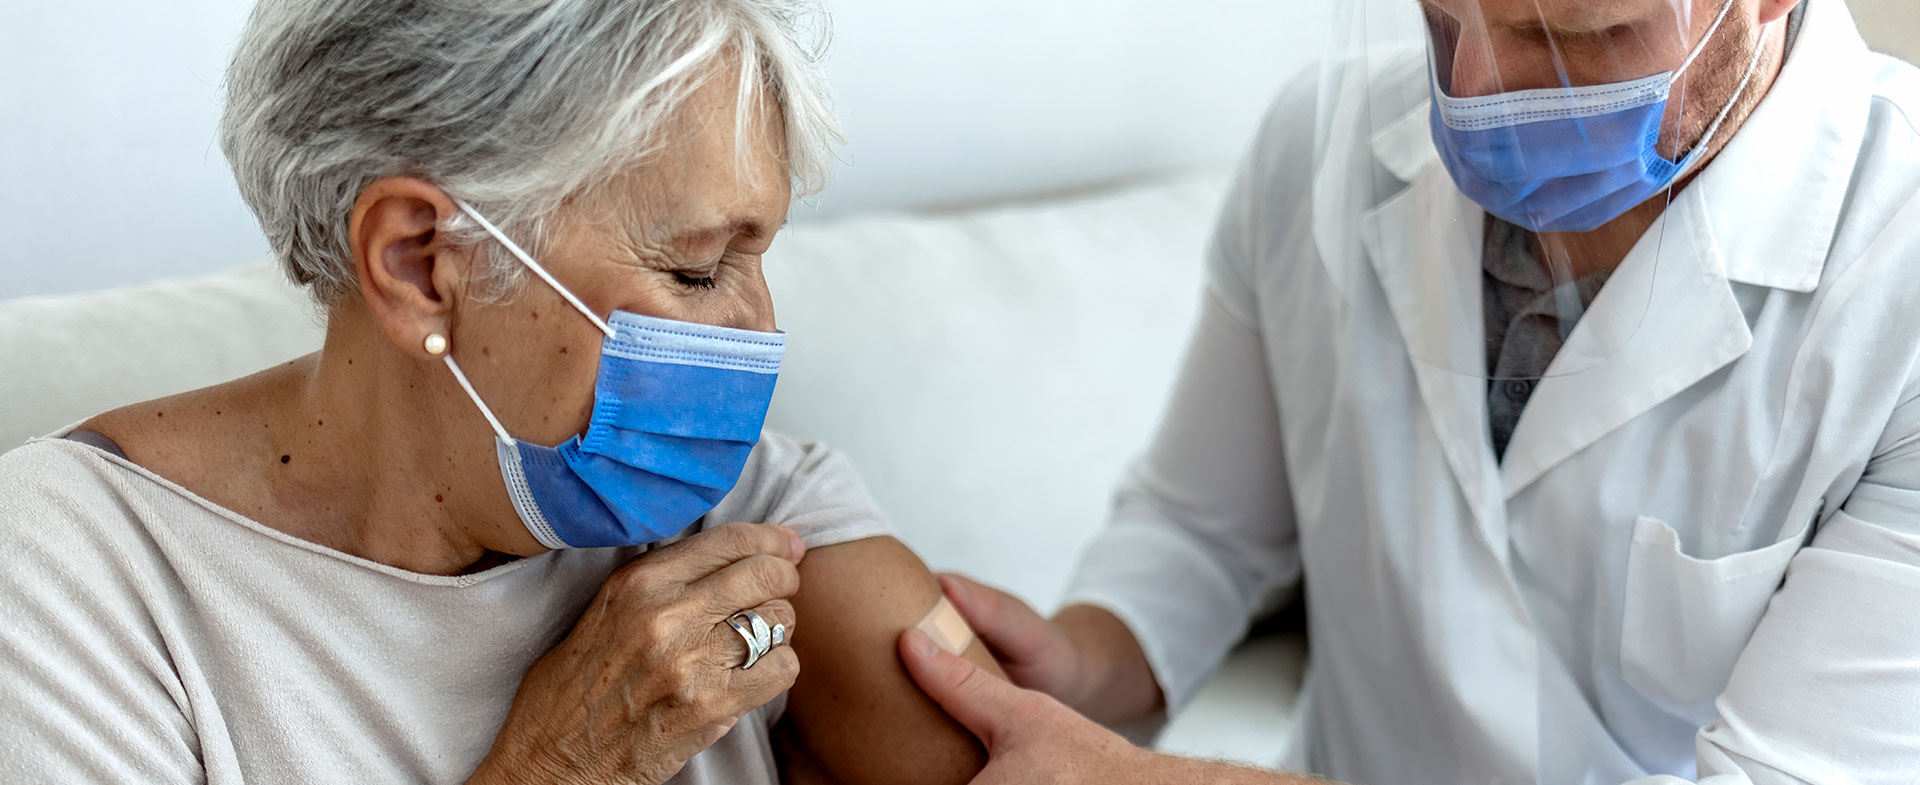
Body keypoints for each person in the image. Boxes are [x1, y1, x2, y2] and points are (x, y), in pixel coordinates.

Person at [899, 0, 1920, 783]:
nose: (1475, 86)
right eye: (1443, 15)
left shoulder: (1896, 276)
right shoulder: (1320, 143)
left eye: (1566, 32)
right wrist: (1084, 658)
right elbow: (1199, 530)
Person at [0, 2, 1004, 784]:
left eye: (757, 255)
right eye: (697, 270)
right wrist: (559, 767)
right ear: (422, 262)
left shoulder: (758, 510)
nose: (759, 328)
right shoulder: (71, 581)